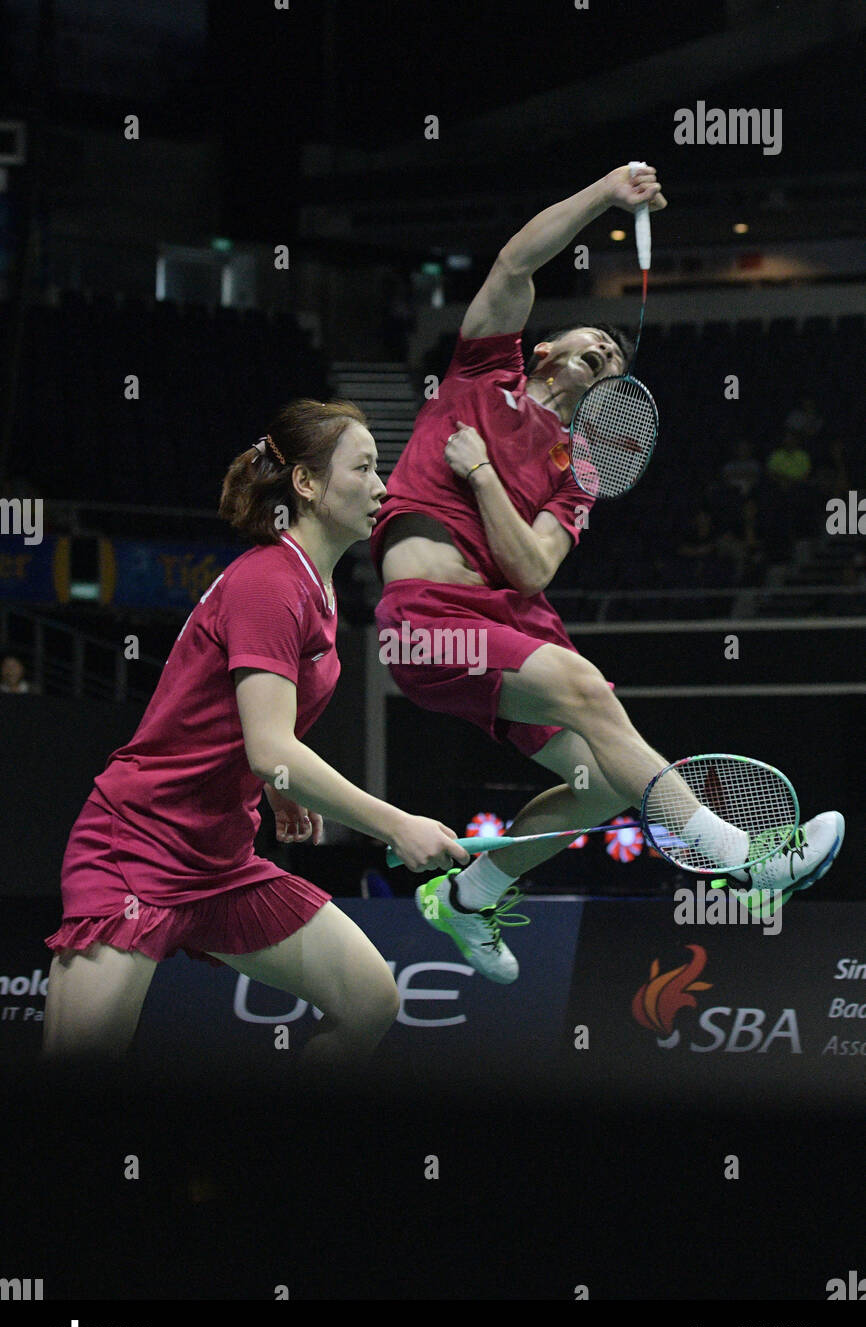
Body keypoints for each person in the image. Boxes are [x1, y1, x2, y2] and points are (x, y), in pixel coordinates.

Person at [369, 162, 844, 984]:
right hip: (428, 620)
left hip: (506, 623)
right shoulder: (479, 377)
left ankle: (472, 894)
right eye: (591, 344)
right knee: (589, 693)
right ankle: (744, 857)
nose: (602, 357)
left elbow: (529, 566)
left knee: (598, 783)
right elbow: (516, 263)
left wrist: (481, 477)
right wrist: (605, 194)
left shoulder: (577, 472)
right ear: (543, 348)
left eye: (613, 366)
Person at [43, 401, 470, 1066]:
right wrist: (393, 824)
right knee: (74, 1081)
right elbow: (273, 748)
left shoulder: (314, 589)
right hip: (137, 847)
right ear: (305, 483)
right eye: (363, 467)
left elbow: (256, 735)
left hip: (219, 861)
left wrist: (271, 785)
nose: (382, 486)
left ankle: (276, 1158)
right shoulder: (272, 582)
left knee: (369, 1001)